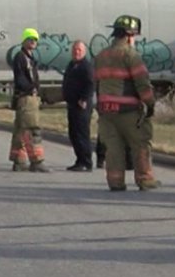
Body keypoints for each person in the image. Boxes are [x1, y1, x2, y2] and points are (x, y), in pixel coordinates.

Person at [94, 15, 160, 191]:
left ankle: (115, 182)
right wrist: (150, 104)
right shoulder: (131, 55)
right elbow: (142, 83)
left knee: (113, 148)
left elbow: (97, 83)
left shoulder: (101, 56)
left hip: (106, 112)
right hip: (128, 111)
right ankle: (145, 180)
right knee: (141, 144)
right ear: (130, 36)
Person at [9, 28, 48, 172]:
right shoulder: (21, 57)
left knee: (20, 130)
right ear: (24, 41)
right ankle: (37, 161)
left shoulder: (29, 57)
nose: (33, 42)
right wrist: (32, 88)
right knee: (32, 130)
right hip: (26, 98)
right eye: (30, 39)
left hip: (27, 97)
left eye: (35, 40)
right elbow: (21, 80)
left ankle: (19, 160)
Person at [63, 40, 95, 171]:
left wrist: (84, 99)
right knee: (73, 133)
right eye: (74, 50)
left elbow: (90, 84)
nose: (76, 52)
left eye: (79, 50)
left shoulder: (86, 66)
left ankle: (86, 162)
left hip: (82, 106)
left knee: (82, 133)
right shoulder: (72, 65)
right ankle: (79, 159)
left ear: (84, 52)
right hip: (72, 104)